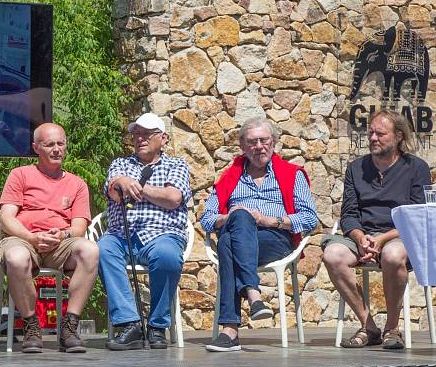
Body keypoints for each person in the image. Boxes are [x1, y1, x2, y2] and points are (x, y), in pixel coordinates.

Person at [201, 117, 318, 352]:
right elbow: (207, 218)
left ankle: (230, 330)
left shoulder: (292, 174)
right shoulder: (230, 178)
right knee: (233, 230)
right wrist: (230, 217)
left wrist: (268, 220)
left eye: (264, 140)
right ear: (243, 147)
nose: (259, 147)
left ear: (273, 142)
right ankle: (253, 297)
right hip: (237, 233)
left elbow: (310, 219)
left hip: (274, 238)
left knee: (227, 241)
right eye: (252, 142)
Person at [322, 109, 430, 350]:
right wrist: (361, 238)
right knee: (332, 254)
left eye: (380, 134)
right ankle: (369, 326)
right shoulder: (356, 168)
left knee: (392, 255)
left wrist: (382, 239)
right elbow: (349, 214)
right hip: (365, 236)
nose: (373, 138)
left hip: (400, 236)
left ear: (399, 137)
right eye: (370, 133)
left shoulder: (416, 168)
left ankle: (392, 328)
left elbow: (416, 215)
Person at [0, 123, 99, 353]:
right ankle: (31, 326)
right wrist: (32, 238)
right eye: (49, 144)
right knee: (15, 257)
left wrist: (61, 234)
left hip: (60, 242)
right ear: (36, 148)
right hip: (23, 238)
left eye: (60, 143)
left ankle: (69, 328)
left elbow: (79, 227)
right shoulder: (20, 175)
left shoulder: (77, 184)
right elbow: (7, 219)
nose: (56, 149)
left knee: (91, 250)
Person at [98, 113, 191, 350]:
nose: (140, 139)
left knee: (167, 256)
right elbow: (114, 192)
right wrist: (121, 183)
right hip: (121, 234)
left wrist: (136, 187)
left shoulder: (176, 165)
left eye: (146, 134)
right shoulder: (120, 164)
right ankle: (130, 324)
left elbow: (172, 198)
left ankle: (158, 325)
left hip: (162, 234)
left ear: (163, 138)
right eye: (136, 134)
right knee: (100, 250)